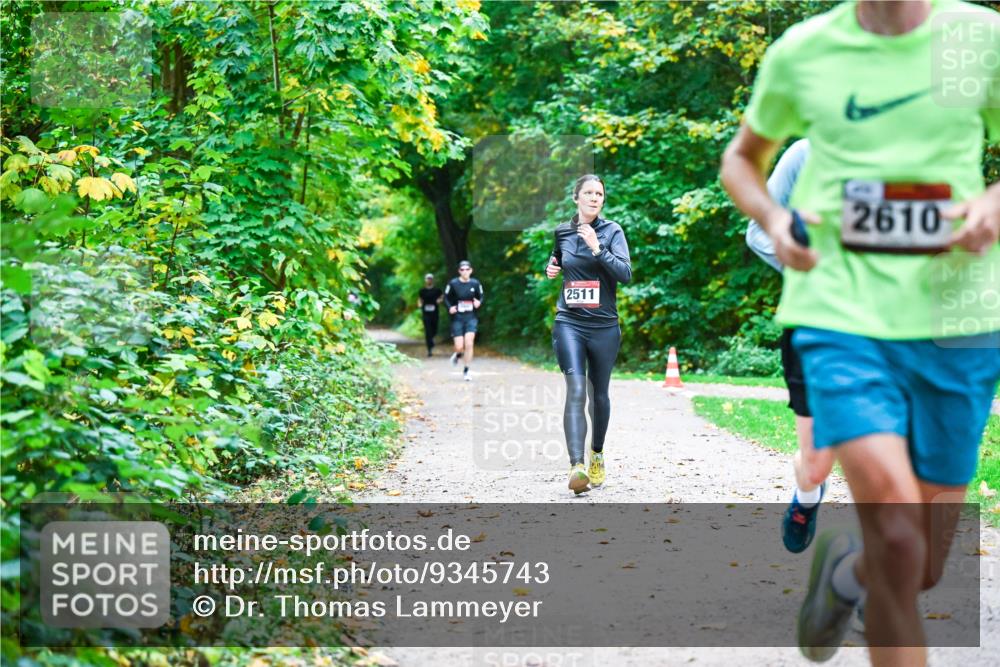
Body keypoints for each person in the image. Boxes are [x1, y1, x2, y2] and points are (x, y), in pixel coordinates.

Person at [721, 1, 1000, 663]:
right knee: (900, 541)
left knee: (922, 564)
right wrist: (775, 219)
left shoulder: (977, 39)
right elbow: (741, 161)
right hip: (841, 315)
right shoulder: (806, 51)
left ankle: (846, 575)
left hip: (957, 319)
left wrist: (991, 203)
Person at [745, 138, 835, 554]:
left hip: (883, 325)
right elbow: (759, 230)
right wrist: (801, 266)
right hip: (813, 321)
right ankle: (807, 497)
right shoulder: (805, 153)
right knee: (816, 463)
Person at [545, 175, 632, 494]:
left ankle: (596, 452)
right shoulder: (563, 231)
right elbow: (557, 259)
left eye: (600, 194)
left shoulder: (613, 232)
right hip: (569, 321)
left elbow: (625, 273)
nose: (595, 198)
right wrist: (550, 269)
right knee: (576, 388)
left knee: (599, 394)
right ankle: (576, 466)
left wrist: (598, 249)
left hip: (604, 326)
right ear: (576, 197)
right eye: (589, 193)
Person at [444, 260, 484, 382]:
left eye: (467, 269)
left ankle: (466, 370)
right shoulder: (453, 283)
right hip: (458, 318)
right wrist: (450, 307)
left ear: (471, 270)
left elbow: (481, 296)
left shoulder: (475, 283)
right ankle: (458, 354)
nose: (465, 271)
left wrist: (479, 302)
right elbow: (446, 297)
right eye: (462, 269)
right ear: (459, 271)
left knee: (469, 343)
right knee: (459, 346)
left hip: (471, 317)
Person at [417, 273, 444, 357]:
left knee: (434, 329)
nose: (429, 280)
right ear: (425, 280)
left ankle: (431, 340)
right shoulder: (422, 291)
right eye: (427, 279)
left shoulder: (437, 290)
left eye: (430, 278)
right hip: (426, 313)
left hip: (434, 313)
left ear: (433, 280)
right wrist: (419, 304)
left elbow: (442, 297)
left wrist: (439, 300)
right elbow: (419, 299)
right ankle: (429, 349)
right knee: (427, 330)